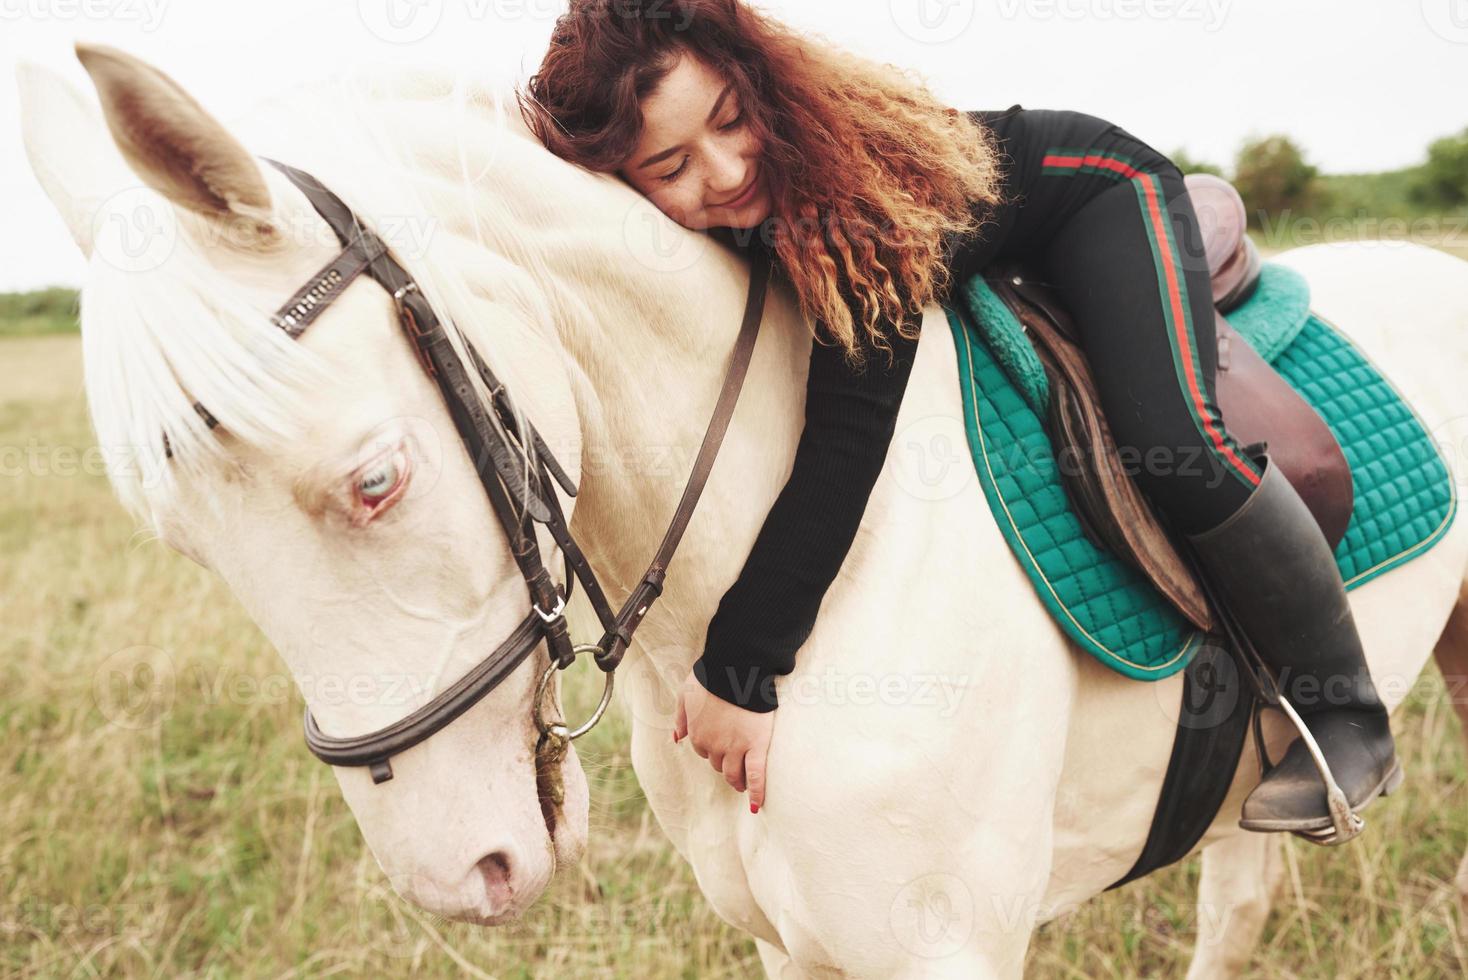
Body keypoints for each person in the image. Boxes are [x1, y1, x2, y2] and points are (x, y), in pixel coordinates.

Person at [515, 0, 1401, 835]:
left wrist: (741, 666)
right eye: (669, 167)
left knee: (1172, 442)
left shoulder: (847, 193)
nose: (727, 169)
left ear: (758, 79)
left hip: (1098, 194)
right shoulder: (716, 209)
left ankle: (1346, 712)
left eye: (730, 118)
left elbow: (847, 440)